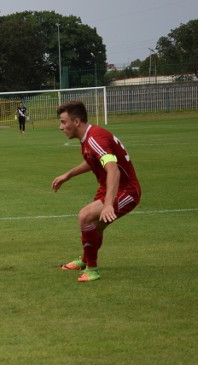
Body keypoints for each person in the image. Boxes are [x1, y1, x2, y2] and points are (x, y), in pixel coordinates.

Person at [51, 100, 141, 282]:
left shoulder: (94, 139)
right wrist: (68, 174)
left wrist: (109, 204)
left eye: (63, 122)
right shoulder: (89, 138)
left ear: (76, 122)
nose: (61, 127)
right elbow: (93, 160)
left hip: (126, 191)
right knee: (94, 227)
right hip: (110, 188)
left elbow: (113, 169)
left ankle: (92, 270)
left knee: (85, 216)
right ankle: (86, 261)